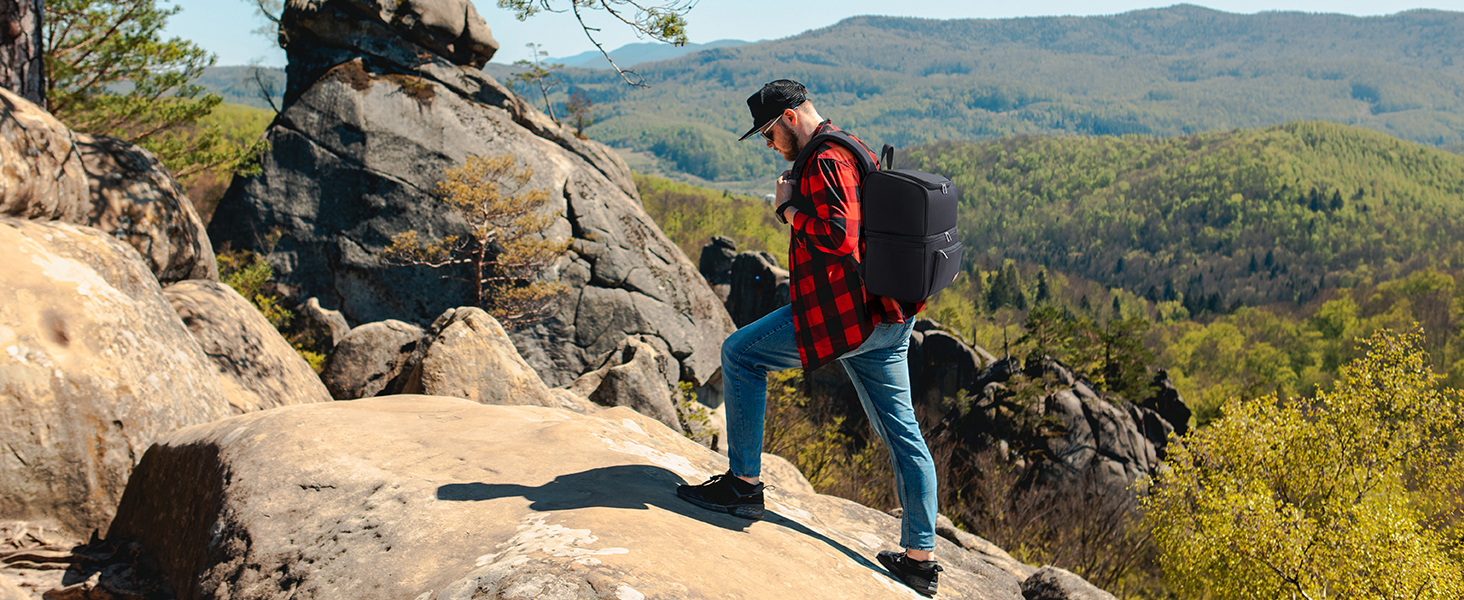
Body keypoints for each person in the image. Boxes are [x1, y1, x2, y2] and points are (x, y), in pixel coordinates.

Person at [676, 79, 943, 597]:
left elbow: (838, 237)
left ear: (791, 118)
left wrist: (787, 209)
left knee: (740, 355)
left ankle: (744, 486)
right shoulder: (851, 145)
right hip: (888, 315)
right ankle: (919, 559)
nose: (768, 144)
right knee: (903, 434)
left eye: (768, 133)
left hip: (845, 318)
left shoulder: (824, 159)